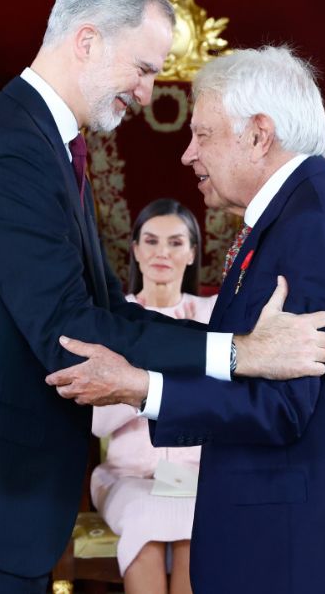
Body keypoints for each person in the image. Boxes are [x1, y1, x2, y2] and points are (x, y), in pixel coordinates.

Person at [0, 0, 325, 592]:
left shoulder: (46, 143)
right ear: (87, 41)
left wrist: (234, 348)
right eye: (143, 69)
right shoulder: (14, 149)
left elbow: (107, 310)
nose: (147, 94)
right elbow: (71, 328)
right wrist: (243, 353)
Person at [49, 45, 325, 592]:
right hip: (302, 536)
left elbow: (281, 406)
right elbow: (239, 351)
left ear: (259, 134)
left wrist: (141, 388)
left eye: (204, 134)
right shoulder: (301, 214)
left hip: (316, 548)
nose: (189, 155)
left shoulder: (313, 229)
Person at [92, 198, 213, 594]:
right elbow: (96, 422)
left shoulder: (212, 318)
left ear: (192, 252)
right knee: (145, 517)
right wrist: (147, 379)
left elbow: (219, 402)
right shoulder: (111, 321)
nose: (163, 252)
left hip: (198, 478)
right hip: (127, 477)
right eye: (152, 241)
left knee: (200, 525)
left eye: (176, 243)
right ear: (136, 250)